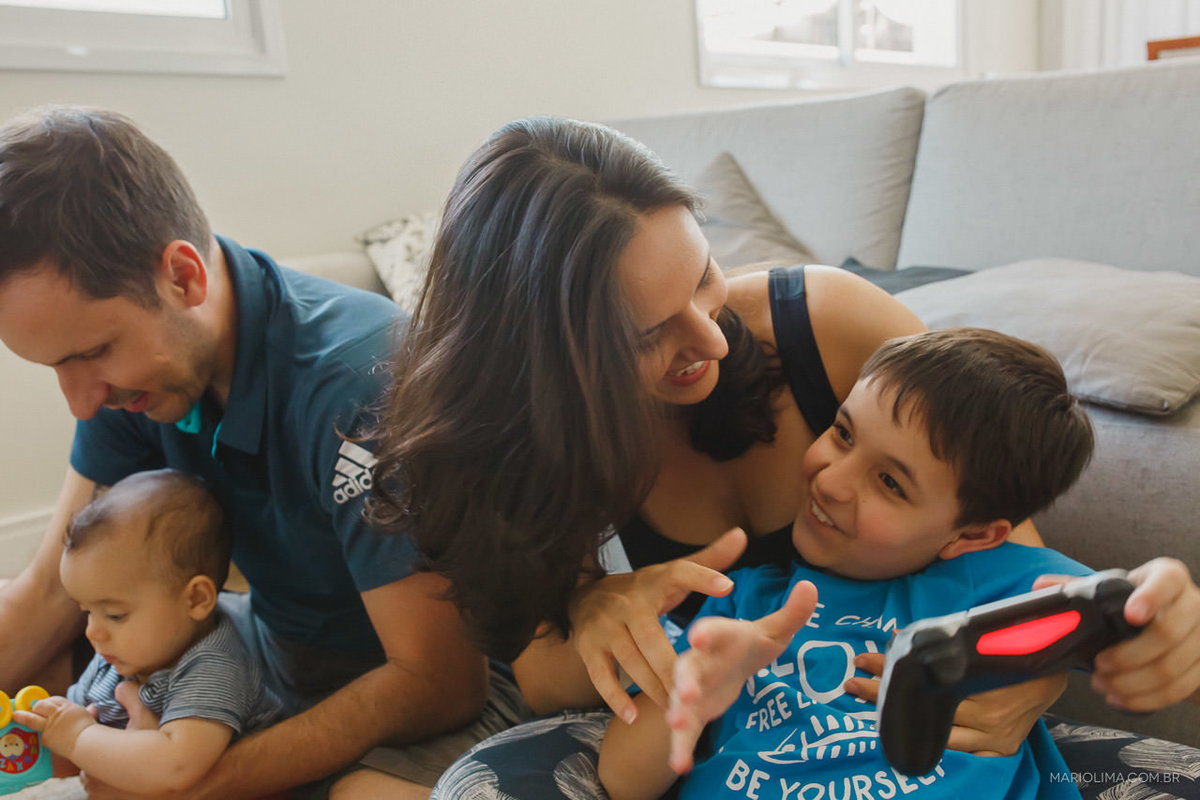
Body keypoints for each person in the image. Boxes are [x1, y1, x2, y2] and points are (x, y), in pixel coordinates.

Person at [364, 116, 1200, 799]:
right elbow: (545, 685)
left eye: (702, 278)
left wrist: (1044, 663)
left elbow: (1002, 538)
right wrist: (604, 612)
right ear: (549, 365)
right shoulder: (526, 445)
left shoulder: (828, 327)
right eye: (645, 334)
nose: (707, 342)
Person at [0, 106, 527, 800]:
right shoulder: (135, 384)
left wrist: (195, 784)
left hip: (450, 692)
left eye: (93, 353)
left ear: (183, 278)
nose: (79, 400)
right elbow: (46, 594)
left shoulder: (357, 386)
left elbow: (438, 682)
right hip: (276, 662)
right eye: (55, 367)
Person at [597, 327, 1102, 800]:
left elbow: (1134, 620)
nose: (832, 482)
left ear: (972, 534)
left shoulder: (993, 584)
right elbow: (621, 781)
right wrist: (697, 687)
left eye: (890, 483)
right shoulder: (739, 603)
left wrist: (1047, 662)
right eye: (842, 433)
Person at [14, 469, 283, 795]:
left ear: (196, 599)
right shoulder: (115, 659)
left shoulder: (213, 668)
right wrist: (36, 737)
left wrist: (76, 735)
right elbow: (77, 750)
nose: (93, 632)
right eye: (86, 612)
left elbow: (174, 765)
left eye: (115, 614)